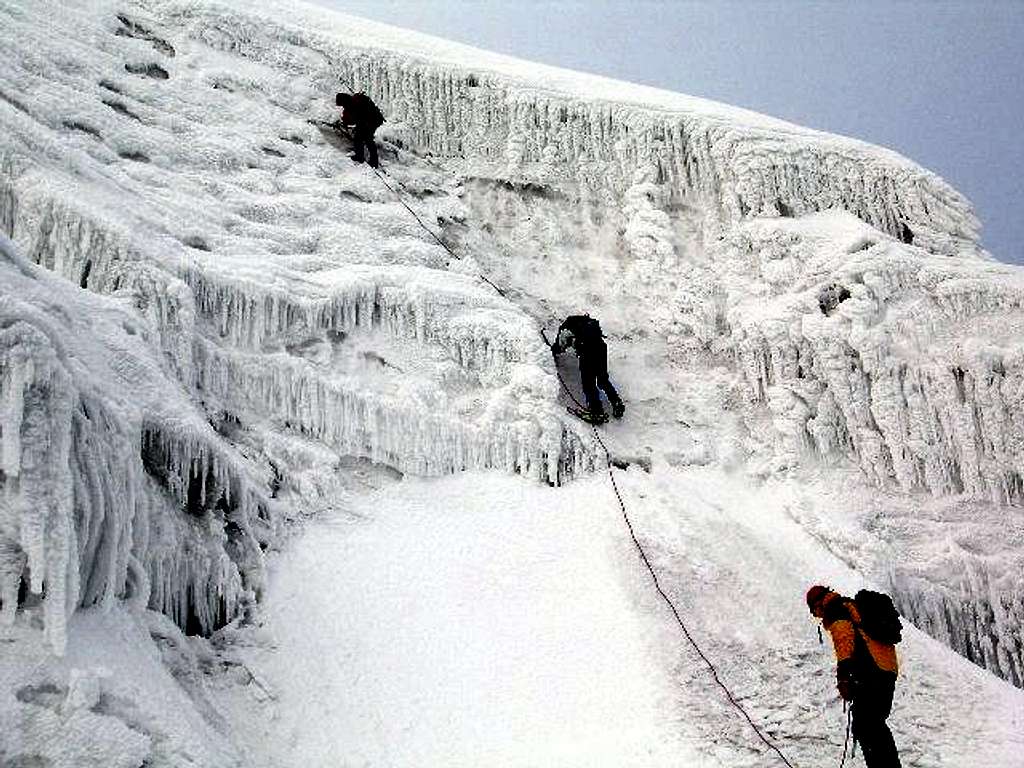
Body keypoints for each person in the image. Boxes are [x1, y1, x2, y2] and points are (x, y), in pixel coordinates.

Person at [806, 585, 902, 768]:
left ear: (818, 603)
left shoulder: (836, 609)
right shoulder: (851, 607)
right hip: (886, 670)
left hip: (871, 671)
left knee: (867, 725)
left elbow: (844, 639)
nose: (815, 615)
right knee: (874, 725)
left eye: (813, 610)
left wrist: (844, 674)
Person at [550, 314, 624, 423]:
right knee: (602, 379)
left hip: (587, 352)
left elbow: (560, 346)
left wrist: (552, 351)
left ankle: (596, 412)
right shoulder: (589, 323)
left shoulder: (565, 328)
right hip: (601, 348)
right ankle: (617, 403)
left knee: (589, 383)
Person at [335, 92, 384, 168]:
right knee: (360, 137)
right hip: (370, 120)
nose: (341, 106)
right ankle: (361, 156)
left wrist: (344, 122)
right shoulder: (354, 100)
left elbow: (351, 119)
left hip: (372, 121)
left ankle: (372, 161)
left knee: (366, 139)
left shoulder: (353, 104)